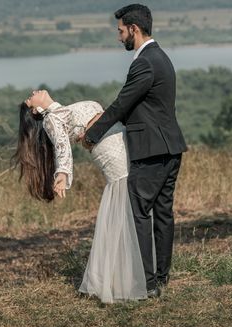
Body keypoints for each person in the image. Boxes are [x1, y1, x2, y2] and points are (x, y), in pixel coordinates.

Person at [81, 4, 188, 298]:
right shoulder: (161, 58)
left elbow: (122, 103)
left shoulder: (143, 62)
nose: (119, 37)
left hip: (150, 150)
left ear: (134, 29)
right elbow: (143, 108)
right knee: (163, 214)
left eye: (120, 31)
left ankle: (147, 283)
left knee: (137, 213)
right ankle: (161, 278)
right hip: (171, 147)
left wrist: (92, 134)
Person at [12, 90, 146, 303]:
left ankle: (130, 272)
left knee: (129, 203)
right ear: (36, 109)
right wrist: (62, 173)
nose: (34, 92)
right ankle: (126, 278)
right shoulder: (51, 119)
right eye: (30, 98)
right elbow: (62, 146)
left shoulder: (60, 111)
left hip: (116, 138)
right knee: (125, 204)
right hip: (110, 149)